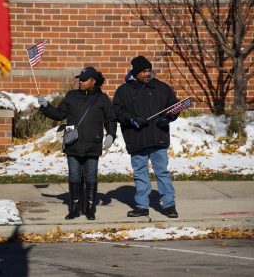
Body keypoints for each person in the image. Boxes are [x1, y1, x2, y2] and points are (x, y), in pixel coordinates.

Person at [37, 67, 117, 220]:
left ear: (93, 81)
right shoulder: (71, 96)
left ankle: (90, 208)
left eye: (84, 79)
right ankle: (74, 208)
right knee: (74, 175)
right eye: (80, 79)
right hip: (73, 143)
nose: (81, 81)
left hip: (93, 144)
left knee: (91, 176)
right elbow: (59, 114)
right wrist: (46, 106)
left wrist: (111, 135)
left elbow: (110, 119)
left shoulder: (102, 99)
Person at [113, 56, 179, 218]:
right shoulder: (124, 91)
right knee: (140, 172)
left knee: (162, 172)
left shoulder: (162, 88)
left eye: (149, 70)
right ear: (135, 72)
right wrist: (131, 119)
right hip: (137, 138)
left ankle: (169, 204)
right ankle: (142, 205)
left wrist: (169, 117)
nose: (147, 73)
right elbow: (117, 111)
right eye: (143, 71)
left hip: (158, 137)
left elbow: (174, 107)